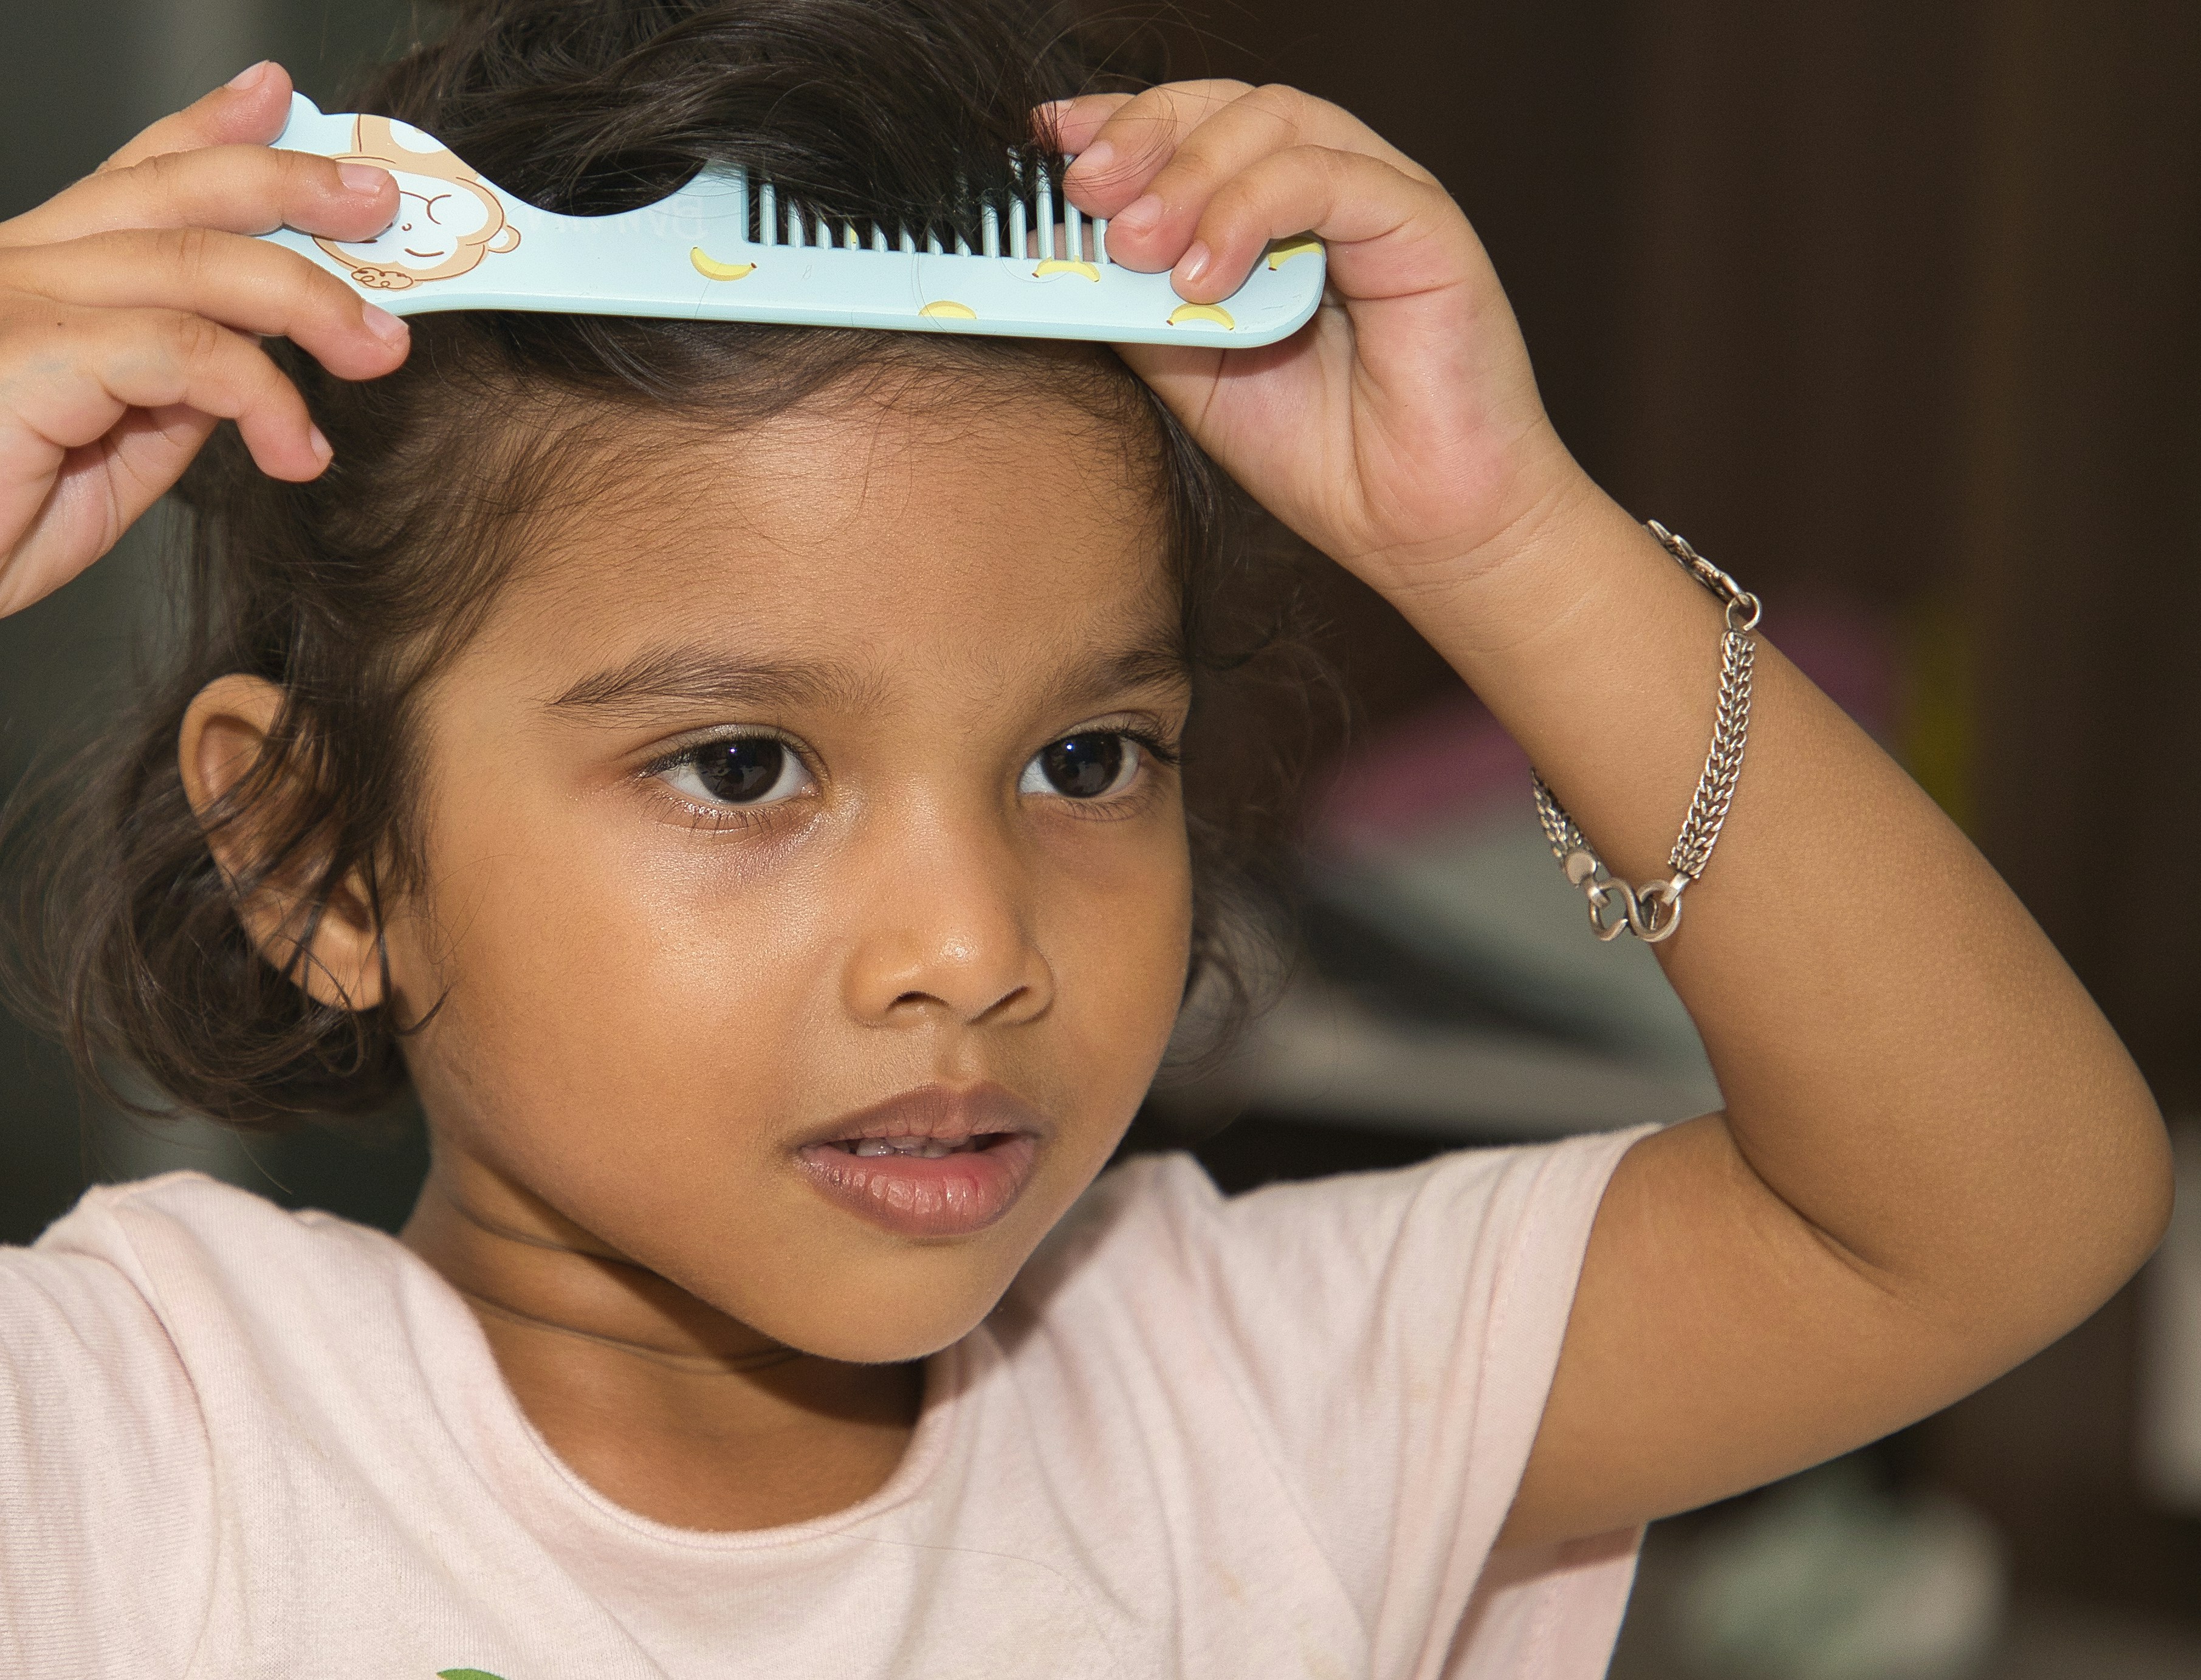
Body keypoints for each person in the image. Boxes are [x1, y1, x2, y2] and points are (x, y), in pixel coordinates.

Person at [0, 1, 2171, 1673]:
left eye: (1084, 761)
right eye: (744, 768)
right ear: (316, 859)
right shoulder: (133, 1445)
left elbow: (1996, 1210)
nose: (972, 942)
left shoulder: (1252, 1399)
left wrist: (1505, 537)